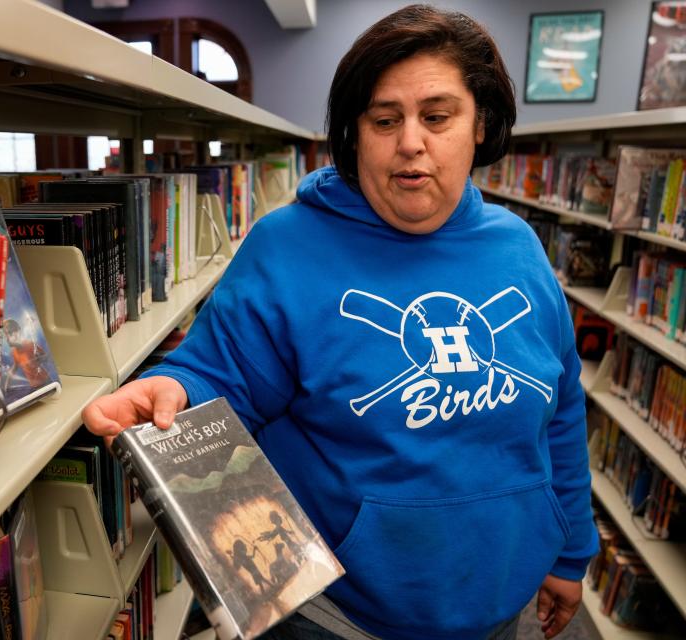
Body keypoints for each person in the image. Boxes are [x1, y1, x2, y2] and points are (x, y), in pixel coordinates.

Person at [82, 5, 597, 640]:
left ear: (480, 124)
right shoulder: (287, 245)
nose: (411, 141)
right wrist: (175, 391)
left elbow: (562, 407)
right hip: (337, 614)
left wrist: (570, 548)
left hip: (505, 604)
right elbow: (220, 371)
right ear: (356, 134)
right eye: (385, 120)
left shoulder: (518, 248)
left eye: (437, 117)